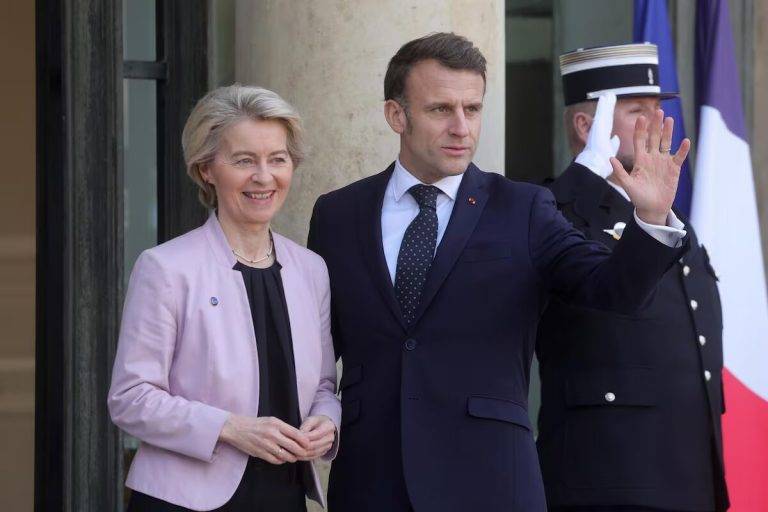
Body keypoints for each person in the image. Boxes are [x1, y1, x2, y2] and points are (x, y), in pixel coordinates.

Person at [308, 32, 690, 512]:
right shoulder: (338, 214)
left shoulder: (523, 207)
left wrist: (650, 220)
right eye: (440, 109)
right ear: (396, 115)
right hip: (371, 482)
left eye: (472, 109)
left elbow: (612, 290)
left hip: (489, 481)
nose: (461, 128)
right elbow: (314, 350)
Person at [108, 85, 340, 511]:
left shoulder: (311, 270)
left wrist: (328, 420)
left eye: (278, 159)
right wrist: (230, 428)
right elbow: (131, 398)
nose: (264, 177)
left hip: (283, 495)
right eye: (244, 160)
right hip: (183, 499)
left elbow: (324, 384)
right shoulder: (166, 268)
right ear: (206, 170)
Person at [536, 43, 729, 512]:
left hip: (687, 478)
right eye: (637, 110)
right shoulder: (554, 210)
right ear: (587, 127)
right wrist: (586, 176)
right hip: (606, 480)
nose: (658, 121)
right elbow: (557, 237)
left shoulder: (669, 218)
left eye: (658, 108)